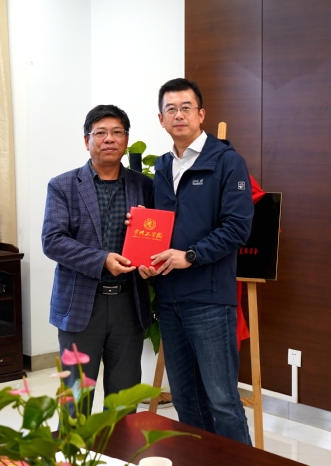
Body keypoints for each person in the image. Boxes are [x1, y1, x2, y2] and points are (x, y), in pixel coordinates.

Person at [138, 78, 254, 444]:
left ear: (201, 114)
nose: (179, 115)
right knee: (186, 400)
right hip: (169, 300)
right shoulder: (162, 167)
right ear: (161, 119)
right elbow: (159, 228)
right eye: (170, 109)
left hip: (209, 300)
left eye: (186, 107)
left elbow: (237, 228)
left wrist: (190, 256)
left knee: (223, 402)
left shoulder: (228, 163)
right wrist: (144, 252)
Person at [42, 104, 154, 410]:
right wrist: (102, 259)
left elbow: (158, 236)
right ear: (86, 140)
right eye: (101, 133)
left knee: (124, 402)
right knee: (75, 401)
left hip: (128, 304)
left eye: (117, 132)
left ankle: (120, 444)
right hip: (80, 305)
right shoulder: (63, 185)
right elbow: (52, 241)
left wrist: (150, 256)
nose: (109, 139)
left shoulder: (144, 186)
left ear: (126, 139)